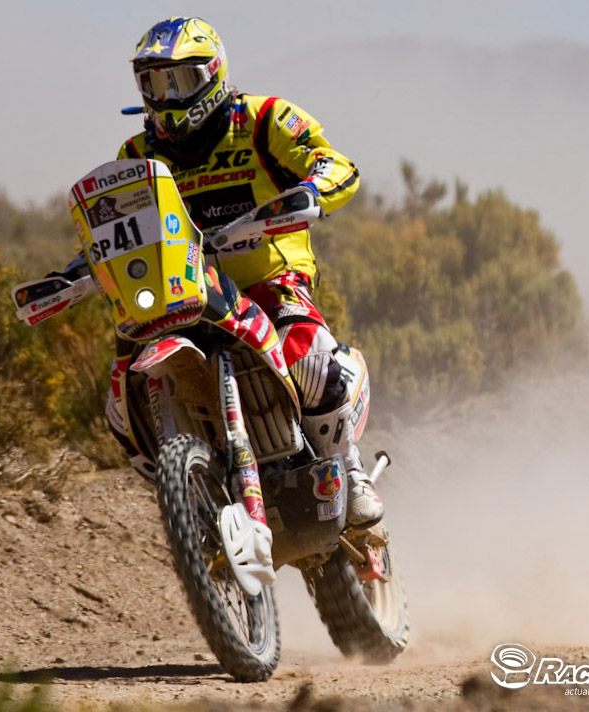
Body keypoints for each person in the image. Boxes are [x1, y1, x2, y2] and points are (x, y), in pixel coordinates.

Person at [107, 16, 383, 528]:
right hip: (182, 294)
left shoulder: (264, 120)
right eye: (153, 84)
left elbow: (335, 163)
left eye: (180, 81)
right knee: (120, 388)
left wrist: (313, 191)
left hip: (269, 275)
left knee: (311, 354)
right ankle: (192, 489)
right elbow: (120, 229)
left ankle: (349, 465)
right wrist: (80, 268)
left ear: (212, 75)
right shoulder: (137, 155)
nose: (166, 97)